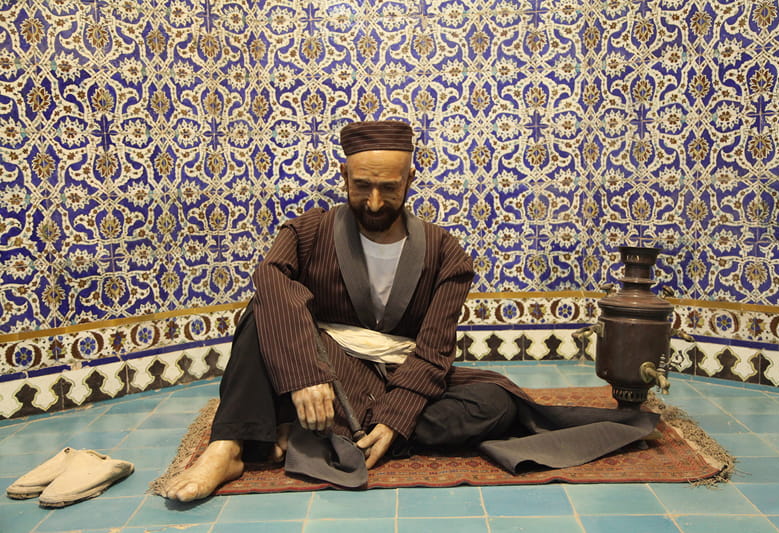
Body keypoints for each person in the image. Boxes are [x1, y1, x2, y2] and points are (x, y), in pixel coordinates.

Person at [163, 120, 658, 502]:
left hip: (398, 376)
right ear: (344, 175)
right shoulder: (307, 233)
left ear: (411, 179)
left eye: (389, 188)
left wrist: (397, 418)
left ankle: (303, 433)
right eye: (362, 186)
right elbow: (271, 280)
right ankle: (227, 448)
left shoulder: (446, 254)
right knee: (261, 312)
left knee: (496, 405)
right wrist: (303, 374)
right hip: (329, 367)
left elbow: (435, 351)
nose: (375, 201)